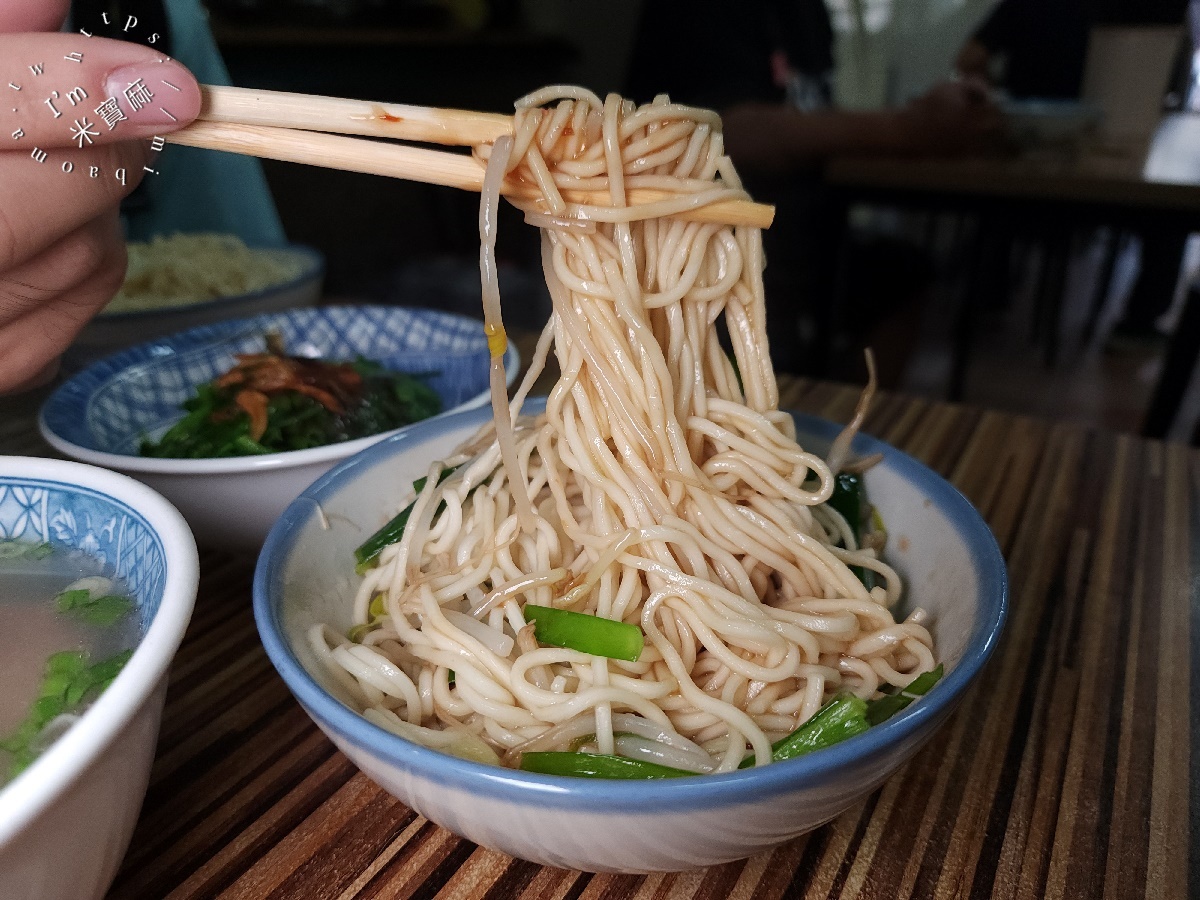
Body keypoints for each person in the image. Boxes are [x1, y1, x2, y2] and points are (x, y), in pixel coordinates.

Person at [626, 0, 1002, 377]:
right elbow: (722, 132)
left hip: (807, 234)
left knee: (902, 276)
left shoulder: (808, 12)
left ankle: (841, 413)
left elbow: (810, 113)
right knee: (746, 327)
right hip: (699, 246)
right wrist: (905, 129)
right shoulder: (709, 13)